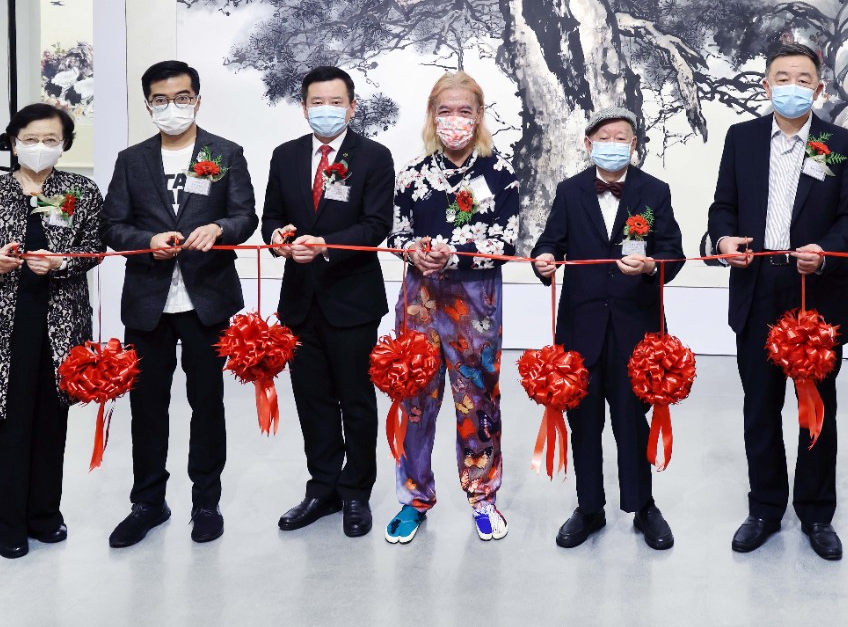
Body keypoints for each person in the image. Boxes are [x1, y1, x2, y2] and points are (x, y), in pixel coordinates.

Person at [706, 42, 848, 561]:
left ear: (818, 89)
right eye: (782, 77)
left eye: (803, 79)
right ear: (766, 85)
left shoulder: (841, 145)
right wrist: (723, 239)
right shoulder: (742, 138)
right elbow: (722, 206)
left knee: (816, 408)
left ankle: (817, 513)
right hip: (757, 286)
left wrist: (824, 253)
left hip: (815, 292)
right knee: (760, 406)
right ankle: (764, 508)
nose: (792, 87)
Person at [100, 61, 258, 547]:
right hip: (148, 301)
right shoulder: (132, 160)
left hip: (207, 299)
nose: (173, 107)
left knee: (206, 403)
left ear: (198, 99)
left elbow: (245, 216)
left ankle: (206, 502)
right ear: (149, 105)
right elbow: (112, 226)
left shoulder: (224, 153)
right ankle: (148, 502)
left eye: (182, 97)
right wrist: (146, 241)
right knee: (147, 406)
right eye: (162, 100)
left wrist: (219, 228)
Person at [0, 104, 103, 559]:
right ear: (13, 143)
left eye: (50, 140)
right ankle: (10, 524)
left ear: (65, 144)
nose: (40, 147)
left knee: (52, 422)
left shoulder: (79, 190)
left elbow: (95, 247)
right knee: (6, 424)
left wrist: (62, 263)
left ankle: (45, 515)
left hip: (60, 323)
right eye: (30, 139)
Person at [531, 108, 684, 551]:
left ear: (634, 145)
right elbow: (550, 242)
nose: (613, 144)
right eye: (604, 136)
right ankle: (589, 507)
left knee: (632, 421)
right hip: (581, 326)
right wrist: (544, 260)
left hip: (636, 327)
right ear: (588, 144)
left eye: (622, 137)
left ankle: (642, 506)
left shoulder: (654, 190)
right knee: (584, 421)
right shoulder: (570, 191)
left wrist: (652, 265)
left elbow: (672, 251)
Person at [385, 71, 520, 544]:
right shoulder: (411, 173)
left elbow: (506, 241)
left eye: (465, 110)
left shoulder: (500, 172)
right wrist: (413, 252)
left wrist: (455, 255)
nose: (455, 119)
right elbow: (396, 233)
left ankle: (483, 497)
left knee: (477, 402)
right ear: (432, 115)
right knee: (416, 400)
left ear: (479, 115)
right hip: (419, 304)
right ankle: (414, 499)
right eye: (445, 111)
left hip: (475, 306)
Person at [261, 66, 395, 538]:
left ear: (352, 107)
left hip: (351, 299)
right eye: (317, 102)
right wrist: (278, 240)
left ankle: (356, 491)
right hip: (300, 300)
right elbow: (271, 217)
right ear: (303, 108)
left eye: (335, 102)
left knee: (355, 400)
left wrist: (326, 246)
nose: (326, 110)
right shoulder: (286, 155)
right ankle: (322, 488)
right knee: (312, 400)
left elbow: (376, 225)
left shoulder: (374, 157)